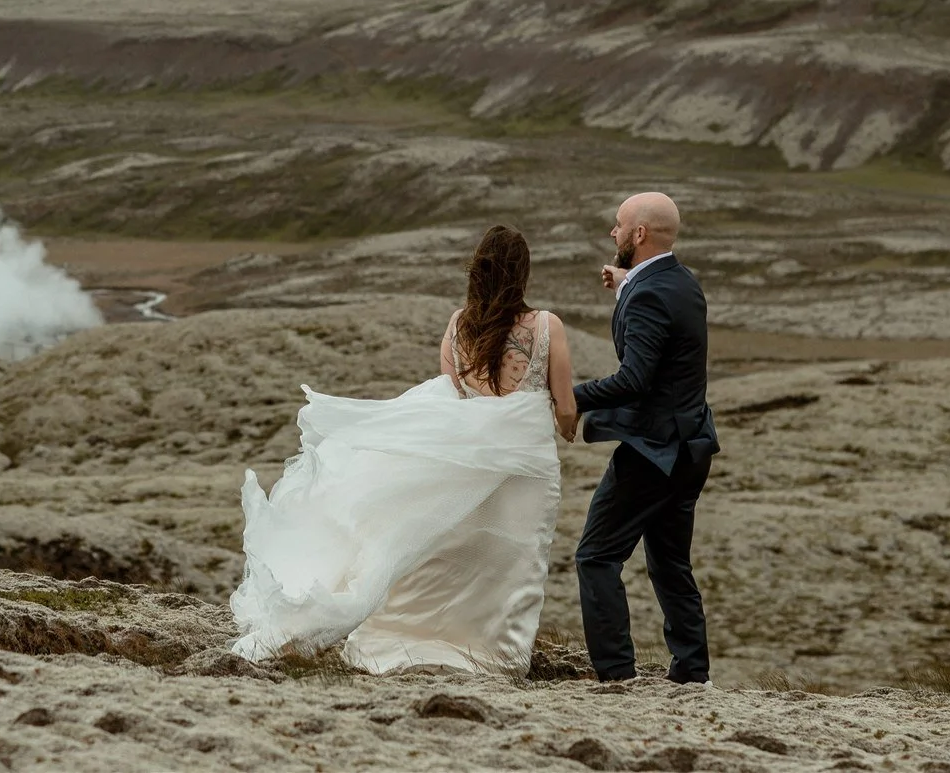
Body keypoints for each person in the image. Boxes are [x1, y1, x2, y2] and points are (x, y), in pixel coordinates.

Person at [230, 224, 576, 673]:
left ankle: (415, 637)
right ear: (522, 274)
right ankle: (496, 654)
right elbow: (565, 406)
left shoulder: (458, 325)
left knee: (450, 549)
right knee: (512, 558)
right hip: (527, 465)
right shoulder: (546, 326)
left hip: (466, 460)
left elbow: (452, 400)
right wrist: (565, 428)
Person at [572, 191, 720, 683]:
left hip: (653, 454)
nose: (612, 233)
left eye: (618, 226)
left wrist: (567, 399)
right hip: (692, 446)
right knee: (670, 564)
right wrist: (625, 283)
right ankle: (692, 673)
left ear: (638, 234)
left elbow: (634, 379)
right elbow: (658, 317)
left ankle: (616, 674)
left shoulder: (652, 293)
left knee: (596, 556)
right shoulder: (683, 283)